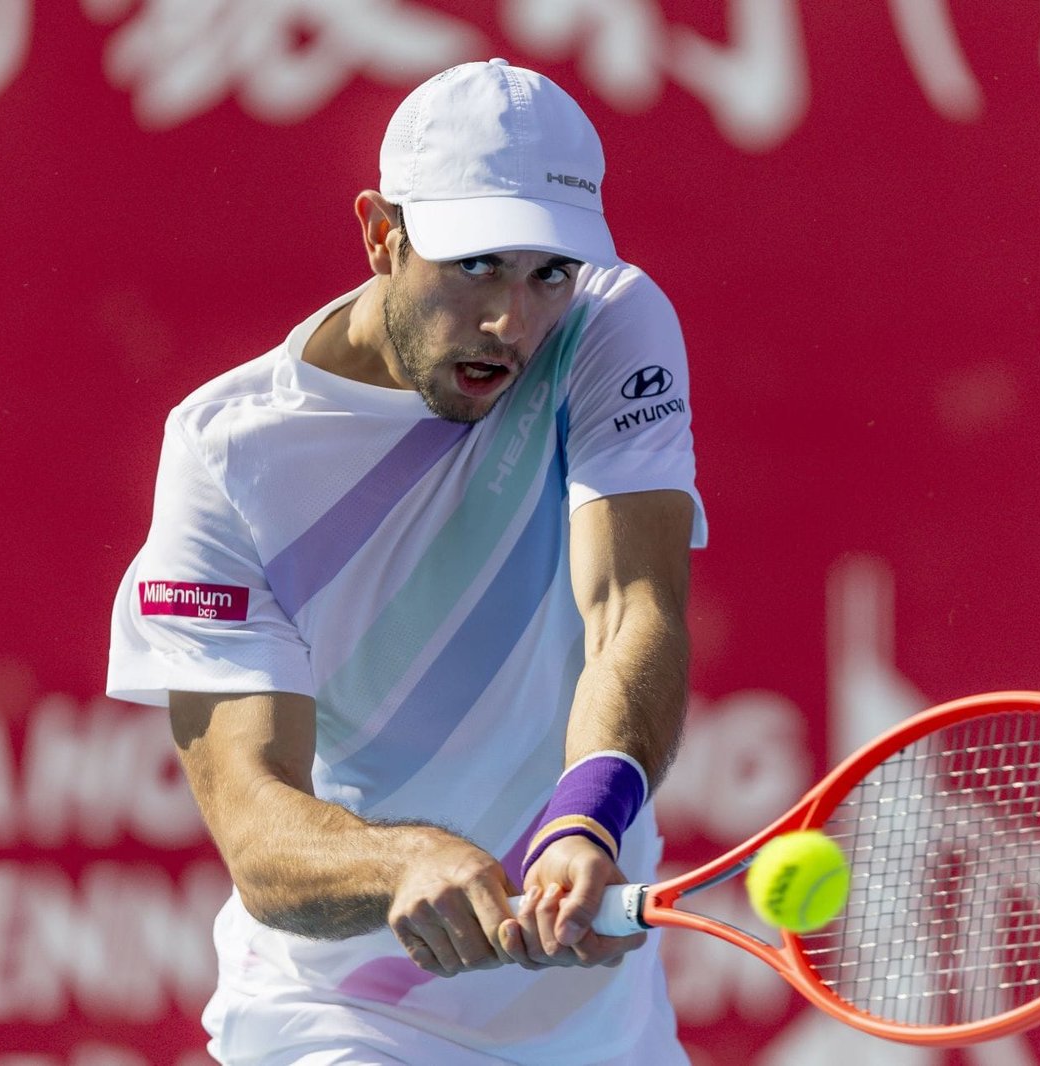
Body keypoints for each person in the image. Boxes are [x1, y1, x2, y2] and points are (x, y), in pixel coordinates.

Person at [108, 58, 707, 1065]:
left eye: (546, 271)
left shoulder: (607, 326)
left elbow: (631, 610)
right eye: (475, 264)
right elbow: (256, 824)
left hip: (604, 1033)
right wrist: (401, 862)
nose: (513, 321)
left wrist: (585, 820)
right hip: (339, 1026)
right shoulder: (225, 457)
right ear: (382, 233)